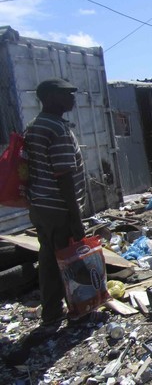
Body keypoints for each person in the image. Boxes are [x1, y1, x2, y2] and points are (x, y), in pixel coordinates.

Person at [23, 78, 94, 326]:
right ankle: (77, 306)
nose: (72, 98)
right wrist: (76, 218)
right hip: (58, 208)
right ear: (51, 97)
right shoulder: (57, 129)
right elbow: (64, 176)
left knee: (48, 258)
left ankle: (52, 310)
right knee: (66, 260)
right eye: (67, 94)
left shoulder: (34, 126)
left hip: (40, 206)